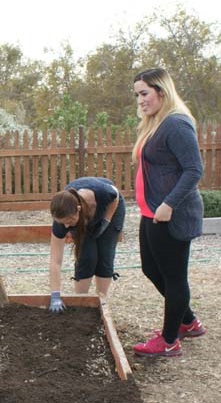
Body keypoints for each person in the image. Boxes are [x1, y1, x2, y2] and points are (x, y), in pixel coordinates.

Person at [130, 67, 206, 358]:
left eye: (145, 93)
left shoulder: (176, 124)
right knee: (152, 269)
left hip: (170, 214)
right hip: (152, 211)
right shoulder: (156, 123)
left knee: (174, 278)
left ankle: (170, 339)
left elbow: (194, 169)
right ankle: (188, 321)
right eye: (137, 95)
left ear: (162, 91)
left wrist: (169, 204)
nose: (140, 100)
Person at [48, 177, 125, 312]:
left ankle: (101, 301)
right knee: (86, 256)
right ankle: (81, 302)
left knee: (104, 254)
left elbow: (115, 195)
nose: (66, 226)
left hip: (110, 208)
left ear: (78, 209)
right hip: (83, 216)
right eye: (62, 222)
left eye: (69, 221)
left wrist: (106, 221)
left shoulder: (102, 193)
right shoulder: (62, 220)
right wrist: (55, 295)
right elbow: (55, 260)